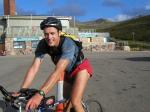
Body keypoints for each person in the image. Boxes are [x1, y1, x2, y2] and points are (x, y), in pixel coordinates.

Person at [20, 17, 93, 112]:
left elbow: (58, 71)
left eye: (52, 33)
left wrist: (39, 95)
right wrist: (22, 91)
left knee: (75, 102)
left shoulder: (68, 44)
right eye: (46, 34)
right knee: (65, 102)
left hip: (81, 69)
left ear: (59, 33)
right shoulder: (43, 44)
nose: (49, 37)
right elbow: (34, 68)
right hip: (67, 72)